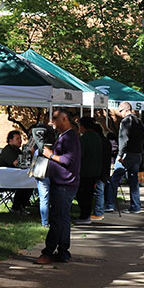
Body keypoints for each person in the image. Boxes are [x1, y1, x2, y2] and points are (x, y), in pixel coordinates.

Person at [34, 109, 81, 264]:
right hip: (64, 183)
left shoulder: (69, 137)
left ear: (65, 119)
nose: (52, 121)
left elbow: (68, 160)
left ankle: (48, 252)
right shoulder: (65, 136)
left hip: (64, 185)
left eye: (55, 118)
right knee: (63, 219)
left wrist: (50, 155)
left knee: (56, 219)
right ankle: (63, 252)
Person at [105, 102, 144, 213]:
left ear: (126, 110)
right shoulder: (139, 121)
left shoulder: (126, 121)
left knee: (114, 179)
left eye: (120, 111)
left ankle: (110, 204)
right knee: (133, 181)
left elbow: (124, 139)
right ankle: (135, 206)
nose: (120, 113)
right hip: (137, 154)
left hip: (127, 154)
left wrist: (120, 155)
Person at [28, 119, 57, 227]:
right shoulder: (54, 147)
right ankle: (54, 219)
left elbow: (33, 162)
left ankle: (45, 222)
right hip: (53, 173)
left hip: (41, 174)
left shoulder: (38, 149)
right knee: (54, 198)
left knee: (44, 198)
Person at [74, 117, 102, 224]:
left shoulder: (84, 139)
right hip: (95, 171)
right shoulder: (97, 137)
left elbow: (79, 155)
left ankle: (84, 216)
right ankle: (86, 215)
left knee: (82, 195)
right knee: (89, 194)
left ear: (83, 127)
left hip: (85, 171)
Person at [0, 130, 32, 214]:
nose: (20, 141)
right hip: (4, 181)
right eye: (17, 139)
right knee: (24, 184)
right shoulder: (8, 150)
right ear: (10, 140)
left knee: (29, 183)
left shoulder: (17, 151)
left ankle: (21, 206)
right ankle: (16, 207)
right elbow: (17, 163)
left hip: (13, 178)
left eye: (20, 138)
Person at [90, 122, 112, 221]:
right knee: (100, 190)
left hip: (98, 169)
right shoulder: (106, 141)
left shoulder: (98, 141)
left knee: (99, 191)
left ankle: (99, 212)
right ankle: (99, 211)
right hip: (105, 169)